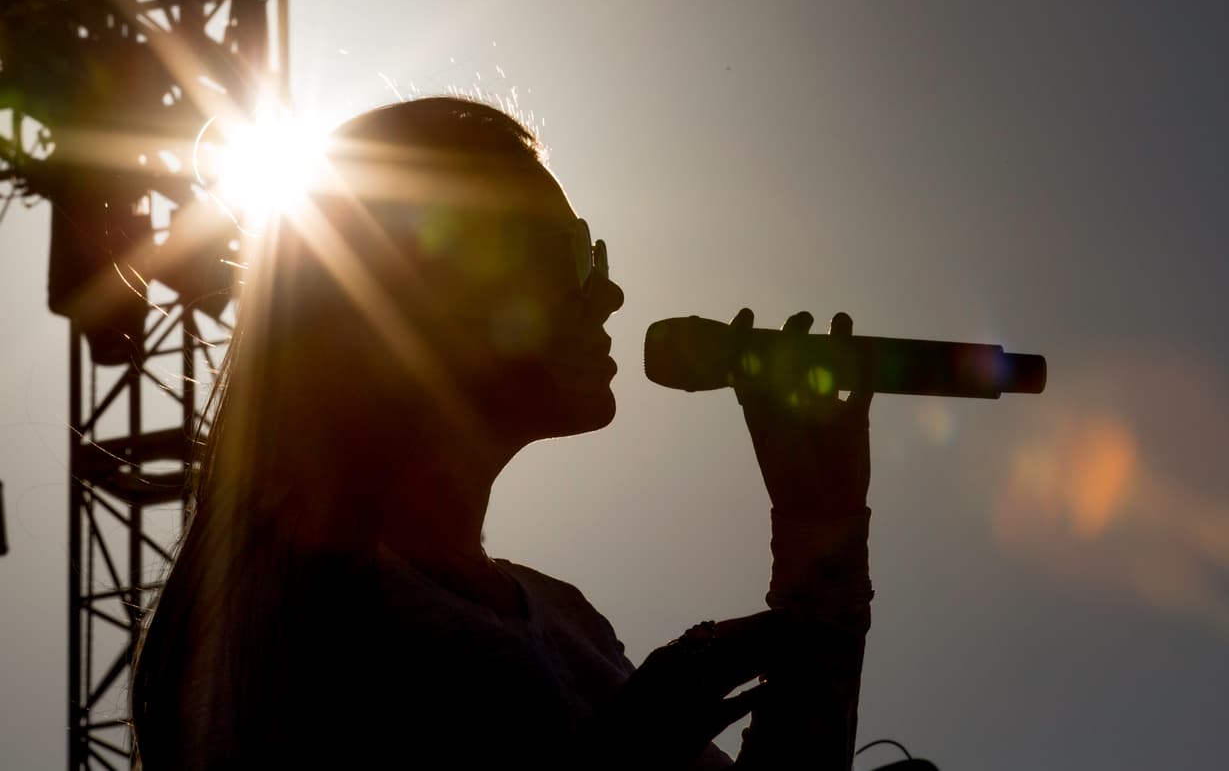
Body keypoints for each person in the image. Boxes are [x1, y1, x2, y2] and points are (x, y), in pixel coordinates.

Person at [131, 96, 875, 770]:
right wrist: (622, 756)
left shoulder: (566, 616)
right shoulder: (280, 628)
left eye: (595, 252)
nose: (608, 291)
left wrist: (820, 532)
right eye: (568, 256)